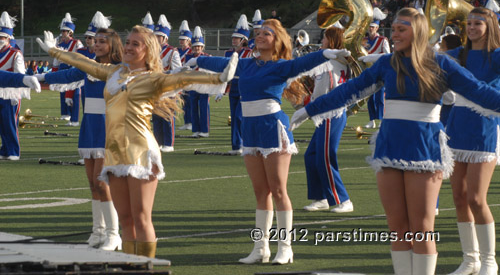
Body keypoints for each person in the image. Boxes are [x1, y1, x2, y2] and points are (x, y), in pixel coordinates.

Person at [290, 8, 500, 275]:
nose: (395, 33)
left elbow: (480, 92)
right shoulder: (387, 63)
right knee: (397, 227)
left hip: (425, 147)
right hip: (389, 146)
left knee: (422, 227)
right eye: (394, 28)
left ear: (419, 31)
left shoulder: (441, 63)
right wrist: (310, 109)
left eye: (402, 29)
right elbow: (351, 90)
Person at [36, 26, 239, 258]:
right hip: (114, 153)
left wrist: (220, 77)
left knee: (141, 218)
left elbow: (183, 77)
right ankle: (130, 265)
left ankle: (147, 266)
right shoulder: (113, 72)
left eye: (136, 44)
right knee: (125, 220)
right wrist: (55, 51)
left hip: (140, 152)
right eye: (128, 42)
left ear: (148, 51)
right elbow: (83, 62)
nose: (129, 47)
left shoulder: (154, 79)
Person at [189, 19, 348, 265]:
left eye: (267, 33)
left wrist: (325, 53)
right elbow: (221, 63)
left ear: (277, 40)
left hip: (273, 128)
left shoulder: (281, 66)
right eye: (258, 33)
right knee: (260, 191)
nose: (260, 36)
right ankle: (260, 248)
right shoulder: (247, 65)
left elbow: (301, 63)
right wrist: (197, 60)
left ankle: (285, 247)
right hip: (250, 129)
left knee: (278, 190)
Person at [38, 24, 123, 252]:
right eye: (95, 41)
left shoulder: (119, 69)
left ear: (112, 45)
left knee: (103, 184)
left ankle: (114, 235)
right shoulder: (87, 66)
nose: (96, 44)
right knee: (93, 184)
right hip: (89, 125)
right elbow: (66, 74)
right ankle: (98, 232)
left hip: (108, 127)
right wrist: (36, 77)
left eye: (102, 41)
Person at [445, 7, 500, 275]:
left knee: (477, 199)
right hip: (457, 127)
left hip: (484, 128)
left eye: (477, 23)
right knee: (459, 198)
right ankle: (470, 259)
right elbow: (430, 60)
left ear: (490, 26)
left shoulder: (497, 55)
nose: (471, 27)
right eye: (468, 23)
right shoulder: (459, 54)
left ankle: (490, 260)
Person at [302, 24, 353, 213]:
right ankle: (321, 197)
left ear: (331, 40)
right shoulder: (333, 59)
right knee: (312, 156)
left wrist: (309, 104)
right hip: (325, 113)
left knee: (325, 157)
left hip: (332, 113)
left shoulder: (334, 61)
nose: (321, 41)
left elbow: (327, 88)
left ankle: (343, 199)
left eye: (324, 38)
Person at [221, 14, 252, 154]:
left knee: (240, 116)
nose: (234, 40)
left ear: (243, 40)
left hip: (244, 87)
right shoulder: (228, 53)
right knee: (234, 117)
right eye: (233, 38)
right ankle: (236, 146)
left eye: (236, 38)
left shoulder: (249, 53)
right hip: (232, 86)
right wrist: (221, 89)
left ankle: (243, 143)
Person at [0, 11, 28, 160]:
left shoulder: (15, 53)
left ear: (8, 38)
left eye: (2, 37)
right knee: (1, 124)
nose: (0, 39)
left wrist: (18, 94)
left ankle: (13, 151)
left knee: (10, 122)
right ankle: (4, 149)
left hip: (11, 93)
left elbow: (20, 76)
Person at [153, 14, 181, 152]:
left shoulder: (172, 52)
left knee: (167, 116)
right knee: (156, 117)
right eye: (155, 36)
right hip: (155, 87)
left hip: (168, 87)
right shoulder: (151, 51)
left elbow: (177, 71)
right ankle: (157, 142)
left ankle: (168, 144)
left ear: (165, 38)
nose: (156, 38)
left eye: (159, 36)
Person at [53, 13, 84, 126]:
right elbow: (56, 59)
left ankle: (74, 119)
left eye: (65, 31)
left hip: (72, 68)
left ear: (70, 32)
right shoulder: (60, 44)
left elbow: (81, 57)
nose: (62, 33)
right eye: (62, 31)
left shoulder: (77, 43)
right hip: (62, 68)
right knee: (63, 93)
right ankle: (66, 114)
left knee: (74, 93)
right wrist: (54, 73)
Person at [363, 8, 390, 129]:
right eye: (369, 27)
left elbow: (388, 55)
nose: (370, 29)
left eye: (373, 27)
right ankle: (372, 119)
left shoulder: (383, 40)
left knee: (379, 97)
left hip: (380, 71)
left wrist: (372, 57)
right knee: (370, 97)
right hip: (368, 72)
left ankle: (381, 120)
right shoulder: (364, 41)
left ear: (377, 28)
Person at [185, 26, 211, 137]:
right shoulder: (188, 57)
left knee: (204, 108)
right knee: (193, 108)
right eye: (195, 47)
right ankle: (195, 130)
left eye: (199, 47)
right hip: (193, 85)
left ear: (202, 47)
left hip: (204, 86)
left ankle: (205, 130)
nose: (197, 49)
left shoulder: (208, 57)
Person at [177, 20, 193, 131]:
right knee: (184, 102)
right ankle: (186, 122)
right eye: (180, 39)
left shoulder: (191, 52)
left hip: (189, 79)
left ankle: (191, 122)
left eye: (184, 40)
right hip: (180, 79)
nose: (181, 41)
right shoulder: (177, 51)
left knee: (190, 102)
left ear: (188, 40)